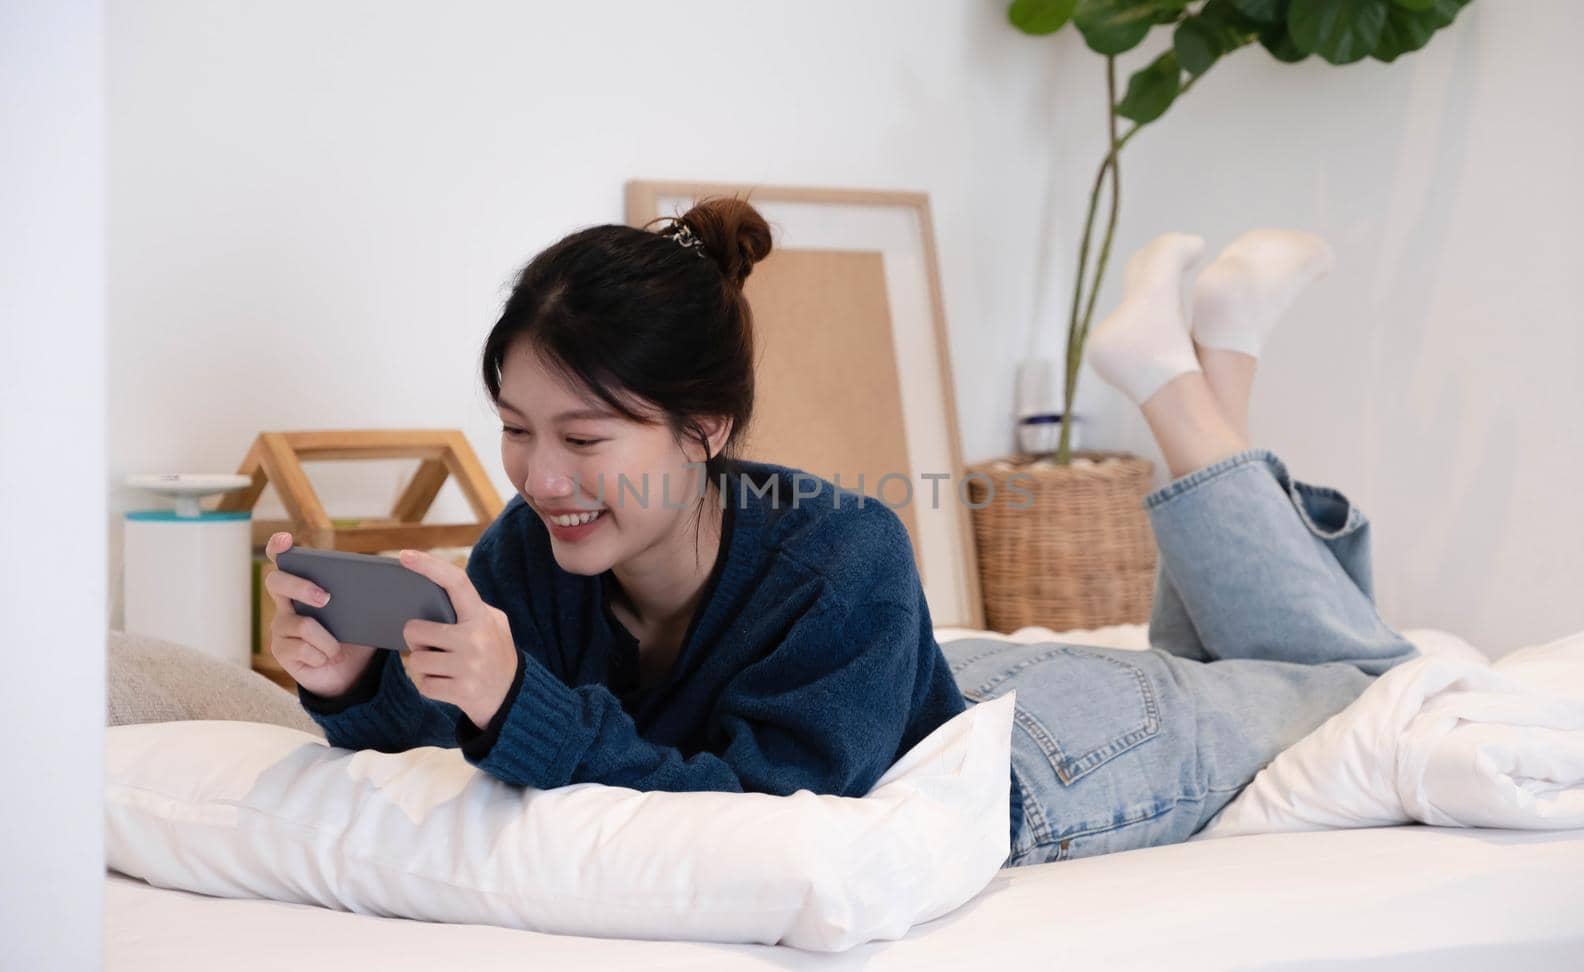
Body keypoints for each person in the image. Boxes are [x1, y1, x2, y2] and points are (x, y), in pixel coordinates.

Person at [263, 198, 1418, 868]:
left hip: (1040, 761)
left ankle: (1178, 386)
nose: (541, 476)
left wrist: (519, 704)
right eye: (516, 430)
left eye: (586, 437)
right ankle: (1218, 361)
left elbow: (781, 817)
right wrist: (360, 677)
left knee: (1354, 680)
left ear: (704, 429)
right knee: (1233, 659)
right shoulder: (528, 551)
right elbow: (468, 715)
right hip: (915, 685)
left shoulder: (843, 553)